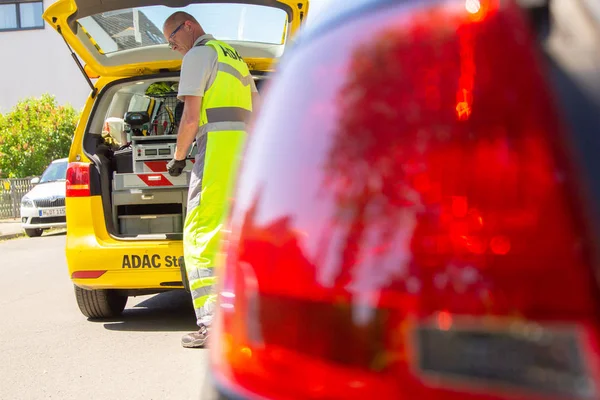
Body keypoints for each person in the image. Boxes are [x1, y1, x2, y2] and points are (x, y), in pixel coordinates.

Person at [163, 11, 260, 348]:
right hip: (242, 157)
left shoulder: (198, 55)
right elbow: (258, 113)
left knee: (199, 236)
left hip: (215, 154)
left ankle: (211, 322)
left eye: (173, 40)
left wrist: (177, 159)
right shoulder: (235, 58)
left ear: (188, 26)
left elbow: (191, 118)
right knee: (232, 236)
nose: (173, 47)